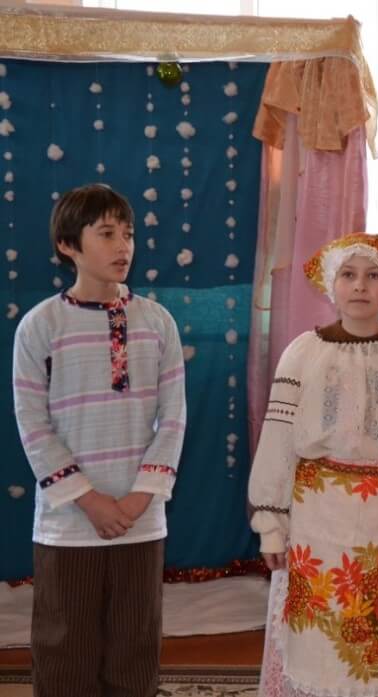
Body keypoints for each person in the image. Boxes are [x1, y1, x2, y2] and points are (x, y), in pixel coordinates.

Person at [247, 233, 378, 697]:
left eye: (373, 275)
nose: (360, 285)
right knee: (318, 637)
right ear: (332, 284)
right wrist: (270, 524)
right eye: (348, 274)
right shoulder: (303, 353)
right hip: (318, 518)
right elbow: (278, 440)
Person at [13, 183, 186, 697]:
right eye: (107, 234)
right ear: (68, 244)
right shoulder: (40, 326)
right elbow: (32, 424)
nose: (123, 246)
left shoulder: (157, 322)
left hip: (141, 519)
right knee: (65, 652)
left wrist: (139, 497)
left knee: (135, 648)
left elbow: (173, 418)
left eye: (128, 234)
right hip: (69, 523)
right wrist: (89, 500)